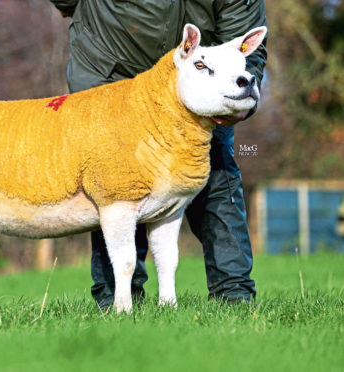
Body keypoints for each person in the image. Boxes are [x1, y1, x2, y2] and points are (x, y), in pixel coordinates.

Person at [49, 0, 268, 309]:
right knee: (117, 183)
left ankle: (234, 298)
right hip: (112, 70)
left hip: (199, 76)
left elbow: (246, 39)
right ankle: (118, 300)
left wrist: (239, 103)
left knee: (215, 166)